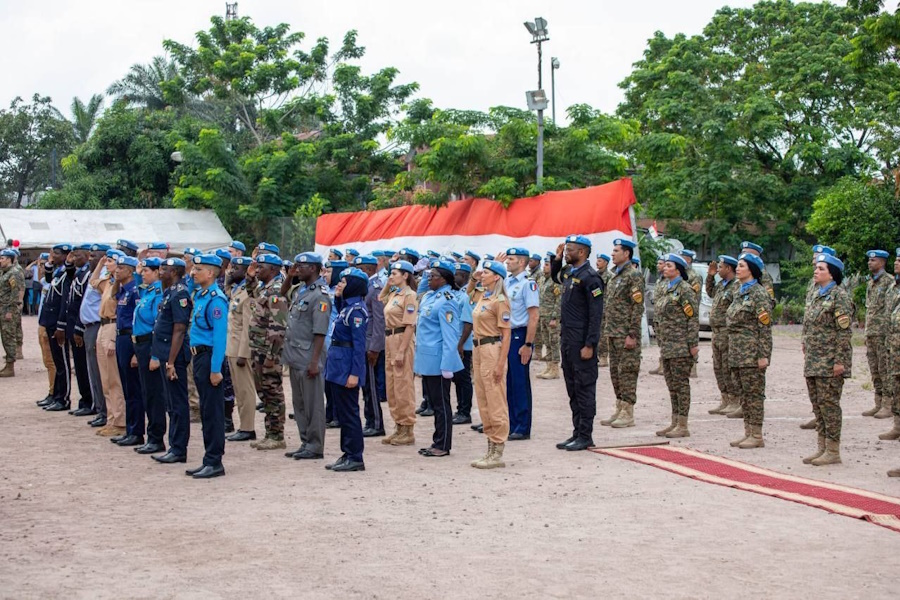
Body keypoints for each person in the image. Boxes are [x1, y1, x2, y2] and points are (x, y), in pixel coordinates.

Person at [550, 235, 604, 451]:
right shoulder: (571, 275)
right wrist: (556, 259)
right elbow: (556, 276)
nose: (566, 253)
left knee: (584, 388)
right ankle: (576, 432)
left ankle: (585, 435)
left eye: (569, 250)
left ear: (582, 252)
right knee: (572, 388)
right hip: (568, 341)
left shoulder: (591, 278)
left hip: (582, 342)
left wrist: (590, 344)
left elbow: (596, 314)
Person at [802, 254, 852, 466]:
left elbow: (844, 332)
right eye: (816, 268)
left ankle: (833, 450)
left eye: (821, 269)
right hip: (814, 360)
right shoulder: (816, 295)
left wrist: (840, 361)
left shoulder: (839, 296)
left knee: (829, 405)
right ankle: (821, 447)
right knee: (818, 405)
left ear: (832, 273)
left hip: (830, 361)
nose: (816, 271)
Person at [282, 252, 331, 460]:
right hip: (295, 354)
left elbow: (320, 331)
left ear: (313, 268)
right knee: (300, 403)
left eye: (301, 266)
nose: (297, 269)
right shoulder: (301, 290)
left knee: (313, 404)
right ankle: (305, 441)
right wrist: (289, 276)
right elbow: (281, 295)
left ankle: (315, 445)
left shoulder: (320, 294)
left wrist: (315, 361)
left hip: (309, 355)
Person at [185, 254, 229, 478]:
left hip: (209, 357)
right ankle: (207, 458)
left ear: (210, 273)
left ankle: (214, 461)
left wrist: (215, 369)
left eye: (198, 269)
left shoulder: (216, 299)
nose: (193, 272)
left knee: (212, 412)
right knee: (205, 410)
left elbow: (220, 338)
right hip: (199, 357)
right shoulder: (201, 296)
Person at [414, 259, 463, 456]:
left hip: (439, 360)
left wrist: (448, 364)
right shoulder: (429, 297)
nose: (429, 279)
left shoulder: (447, 300)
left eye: (432, 276)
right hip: (427, 359)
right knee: (435, 403)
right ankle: (437, 440)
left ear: (443, 279)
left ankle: (442, 445)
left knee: (442, 404)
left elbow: (451, 335)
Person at [725, 254, 773, 449]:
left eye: (742, 266)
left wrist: (763, 355)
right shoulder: (739, 291)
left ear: (751, 270)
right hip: (737, 351)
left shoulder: (759, 293)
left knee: (754, 394)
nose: (737, 268)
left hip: (751, 353)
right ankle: (747, 432)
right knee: (743, 394)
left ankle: (757, 434)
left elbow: (764, 327)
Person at [324, 267, 369, 472]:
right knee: (342, 412)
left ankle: (355, 456)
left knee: (350, 413)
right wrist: (338, 298)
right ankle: (346, 452)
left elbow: (359, 347)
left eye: (344, 282)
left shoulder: (357, 310)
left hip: (346, 367)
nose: (339, 285)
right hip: (337, 365)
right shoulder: (346, 307)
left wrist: (355, 374)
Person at [151, 258, 193, 465]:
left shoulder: (181, 294)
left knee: (177, 403)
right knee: (170, 402)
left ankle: (179, 449)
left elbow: (179, 329)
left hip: (173, 356)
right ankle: (173, 445)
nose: (160, 272)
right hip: (165, 353)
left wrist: (170, 362)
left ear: (175, 271)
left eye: (164, 269)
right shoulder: (169, 292)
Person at [470, 260, 512, 468]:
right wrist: (474, 277)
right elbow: (469, 293)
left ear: (496, 277)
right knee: (483, 399)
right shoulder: (483, 296)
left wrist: (500, 364)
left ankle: (497, 450)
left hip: (492, 349)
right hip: (478, 348)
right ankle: (489, 447)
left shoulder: (500, 300)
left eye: (486, 272)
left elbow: (506, 334)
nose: (482, 275)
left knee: (495, 399)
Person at [654, 253, 699, 438]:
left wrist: (693, 345)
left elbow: (692, 318)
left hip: (681, 344)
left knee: (681, 385)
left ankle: (683, 424)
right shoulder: (667, 288)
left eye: (669, 266)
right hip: (667, 344)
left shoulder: (685, 289)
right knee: (671, 385)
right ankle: (674, 421)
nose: (665, 268)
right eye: (665, 266)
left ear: (678, 270)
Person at [600, 239, 644, 428]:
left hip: (625, 333)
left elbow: (637, 306)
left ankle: (628, 411)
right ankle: (619, 406)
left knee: (627, 372)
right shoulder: (615, 276)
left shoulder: (633, 275)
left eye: (616, 251)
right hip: (612, 331)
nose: (612, 254)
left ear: (626, 254)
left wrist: (632, 334)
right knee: (615, 372)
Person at [248, 253, 288, 451]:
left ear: (272, 269)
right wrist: (249, 277)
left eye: (260, 267)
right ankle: (269, 432)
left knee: (272, 391)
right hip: (258, 349)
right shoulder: (264, 288)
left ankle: (277, 435)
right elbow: (251, 296)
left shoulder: (276, 290)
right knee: (263, 392)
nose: (257, 270)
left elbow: (278, 328)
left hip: (268, 351)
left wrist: (272, 356)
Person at [380, 260, 419, 445]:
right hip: (389, 339)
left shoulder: (410, 296)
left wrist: (402, 351)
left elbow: (410, 325)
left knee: (403, 384)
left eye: (394, 273)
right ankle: (398, 426)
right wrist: (388, 285)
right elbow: (381, 299)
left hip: (402, 338)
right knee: (392, 385)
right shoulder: (395, 293)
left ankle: (408, 428)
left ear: (405, 275)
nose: (391, 276)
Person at [502, 248, 540, 440]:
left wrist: (528, 344)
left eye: (511, 259)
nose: (507, 262)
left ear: (522, 263)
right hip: (507, 334)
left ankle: (522, 426)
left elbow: (533, 316)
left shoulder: (528, 284)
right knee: (509, 381)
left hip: (520, 335)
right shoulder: (507, 282)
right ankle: (512, 422)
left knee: (519, 381)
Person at [131, 257, 166, 455]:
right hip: (141, 344)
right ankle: (152, 435)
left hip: (149, 344)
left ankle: (156, 437)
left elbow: (157, 326)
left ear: (156, 272)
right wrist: (137, 273)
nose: (142, 274)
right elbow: (138, 289)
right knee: (146, 392)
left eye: (146, 271)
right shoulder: (149, 291)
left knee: (154, 394)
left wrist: (154, 355)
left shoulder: (158, 293)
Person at [92, 250, 127, 438]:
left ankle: (120, 421)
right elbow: (92, 282)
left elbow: (122, 313)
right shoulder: (109, 282)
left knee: (114, 379)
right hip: (102, 326)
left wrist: (113, 338)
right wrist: (100, 264)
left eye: (111, 261)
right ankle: (111, 418)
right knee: (105, 378)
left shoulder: (121, 286)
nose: (107, 264)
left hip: (113, 327)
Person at [112, 256, 144, 447]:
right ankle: (130, 429)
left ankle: (137, 431)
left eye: (121, 268)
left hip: (130, 338)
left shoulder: (135, 291)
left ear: (131, 271)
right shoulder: (123, 290)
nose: (117, 271)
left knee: (133, 388)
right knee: (126, 387)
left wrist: (135, 351)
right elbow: (111, 297)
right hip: (120, 337)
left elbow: (136, 321)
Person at [354, 256, 387, 437]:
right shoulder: (364, 287)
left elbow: (379, 321)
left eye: (360, 269)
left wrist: (375, 348)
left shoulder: (375, 289)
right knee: (365, 387)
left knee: (372, 387)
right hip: (362, 343)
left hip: (370, 346)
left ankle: (376, 424)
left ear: (368, 270)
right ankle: (370, 421)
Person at [225, 256, 257, 442]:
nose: (231, 271)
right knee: (238, 389)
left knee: (245, 390)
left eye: (235, 268)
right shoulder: (237, 290)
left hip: (241, 351)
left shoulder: (248, 294)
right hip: (232, 347)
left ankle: (248, 428)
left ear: (245, 271)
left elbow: (248, 326)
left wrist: (244, 354)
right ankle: (243, 426)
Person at [40, 244, 73, 411]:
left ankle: (63, 398)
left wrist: (61, 325)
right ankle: (56, 395)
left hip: (58, 324)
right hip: (50, 321)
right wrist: (50, 263)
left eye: (57, 253)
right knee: (56, 361)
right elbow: (47, 279)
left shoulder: (67, 274)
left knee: (62, 363)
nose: (53, 255)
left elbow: (64, 302)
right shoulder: (59, 272)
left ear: (67, 256)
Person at [62, 245, 94, 415]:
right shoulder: (79, 273)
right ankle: (85, 400)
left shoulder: (88, 275)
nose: (74, 259)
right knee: (80, 367)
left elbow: (84, 304)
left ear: (88, 256)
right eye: (73, 256)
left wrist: (78, 328)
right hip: (73, 324)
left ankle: (90, 401)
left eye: (78, 256)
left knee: (85, 366)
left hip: (80, 325)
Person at [861, 250, 893, 419]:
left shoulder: (889, 282)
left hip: (883, 334)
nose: (869, 263)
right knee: (874, 370)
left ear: (881, 262)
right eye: (869, 260)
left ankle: (888, 404)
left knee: (884, 369)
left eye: (873, 260)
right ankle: (878, 402)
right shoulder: (871, 282)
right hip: (872, 333)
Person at [706, 255, 740, 415]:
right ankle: (725, 398)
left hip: (727, 332)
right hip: (716, 333)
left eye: (720, 267)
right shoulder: (721, 285)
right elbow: (710, 292)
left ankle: (734, 400)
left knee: (728, 367)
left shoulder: (736, 286)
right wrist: (710, 277)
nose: (718, 269)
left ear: (729, 269)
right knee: (718, 367)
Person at [80, 244, 109, 426]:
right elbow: (92, 282)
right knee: (93, 371)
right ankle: (100, 409)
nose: (90, 259)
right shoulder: (97, 274)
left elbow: (96, 286)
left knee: (100, 373)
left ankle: (104, 411)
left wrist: (102, 265)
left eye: (94, 256)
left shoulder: (106, 277)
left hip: (98, 326)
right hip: (89, 326)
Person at [881, 248, 900, 443]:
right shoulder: (894, 286)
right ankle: (897, 425)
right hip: (893, 345)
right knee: (896, 386)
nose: (896, 263)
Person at [451, 263, 475, 424]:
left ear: (465, 276)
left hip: (463, 345)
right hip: (455, 343)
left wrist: (460, 344)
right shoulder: (456, 293)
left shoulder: (465, 296)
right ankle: (460, 409)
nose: (455, 277)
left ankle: (465, 412)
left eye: (458, 274)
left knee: (463, 379)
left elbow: (468, 323)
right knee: (457, 379)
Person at [536, 256, 561, 380]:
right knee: (546, 341)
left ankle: (555, 368)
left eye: (547, 264)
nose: (544, 267)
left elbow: (559, 300)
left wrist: (555, 317)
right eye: (544, 264)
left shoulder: (556, 280)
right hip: (542, 315)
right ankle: (548, 366)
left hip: (552, 317)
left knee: (554, 342)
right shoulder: (541, 279)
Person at [0, 249, 24, 377]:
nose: (0, 260)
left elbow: (16, 293)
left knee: (8, 336)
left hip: (8, 309)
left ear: (9, 259)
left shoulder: (14, 273)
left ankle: (10, 366)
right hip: (2, 308)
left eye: (2, 258)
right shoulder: (4, 273)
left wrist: (10, 310)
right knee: (4, 337)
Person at [648, 256, 668, 376]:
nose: (658, 265)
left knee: (665, 342)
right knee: (660, 341)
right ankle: (661, 364)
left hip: (665, 317)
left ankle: (665, 366)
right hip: (658, 316)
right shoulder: (660, 280)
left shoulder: (669, 281)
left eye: (660, 263)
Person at [594, 253, 612, 367]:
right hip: (596, 307)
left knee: (603, 334)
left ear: (605, 263)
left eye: (600, 261)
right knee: (596, 332)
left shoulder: (610, 276)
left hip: (605, 308)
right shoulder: (594, 275)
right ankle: (596, 355)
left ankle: (604, 356)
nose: (597, 263)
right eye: (597, 260)